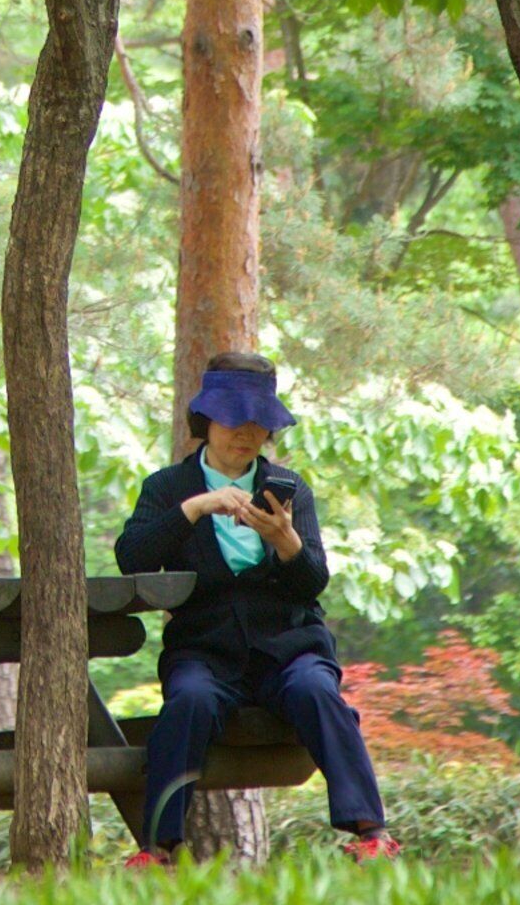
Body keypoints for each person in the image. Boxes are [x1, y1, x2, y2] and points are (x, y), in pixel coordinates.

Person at [109, 352, 395, 865]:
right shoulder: (166, 487)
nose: (246, 434)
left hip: (290, 646)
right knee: (188, 703)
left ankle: (371, 831)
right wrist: (196, 509)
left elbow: (312, 582)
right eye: (234, 420)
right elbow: (132, 558)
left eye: (259, 424)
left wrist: (285, 538)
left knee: (317, 691)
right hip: (204, 650)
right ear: (206, 422)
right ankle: (158, 847)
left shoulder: (288, 488)